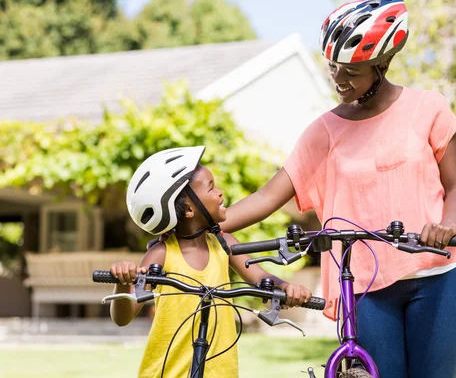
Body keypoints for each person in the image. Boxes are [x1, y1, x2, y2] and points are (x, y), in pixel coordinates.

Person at [214, 0, 456, 378]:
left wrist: (447, 224)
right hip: (366, 287)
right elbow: (268, 196)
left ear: (382, 65)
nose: (339, 79)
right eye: (333, 67)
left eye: (352, 70)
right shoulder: (325, 131)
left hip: (437, 278)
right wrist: (209, 221)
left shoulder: (427, 108)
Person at [109, 146, 313, 378]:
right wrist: (123, 283)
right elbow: (123, 317)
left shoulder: (223, 243)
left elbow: (260, 278)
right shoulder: (162, 253)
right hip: (169, 372)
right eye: (211, 187)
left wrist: (286, 287)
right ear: (188, 209)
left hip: (219, 371)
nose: (220, 193)